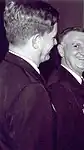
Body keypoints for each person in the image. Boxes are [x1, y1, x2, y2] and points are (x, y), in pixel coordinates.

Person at [0, 1, 59, 150]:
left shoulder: (5, 70)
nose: (55, 42)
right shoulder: (32, 90)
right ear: (36, 41)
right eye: (53, 37)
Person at [47, 27, 84, 150]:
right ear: (61, 50)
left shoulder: (76, 81)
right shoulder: (58, 88)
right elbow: (62, 142)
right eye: (76, 46)